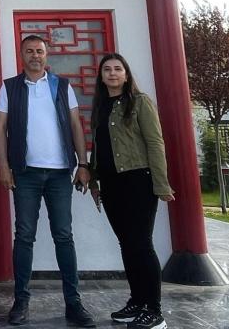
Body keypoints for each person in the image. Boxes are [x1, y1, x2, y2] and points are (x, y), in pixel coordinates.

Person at [0, 34, 96, 328]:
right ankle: (21, 301)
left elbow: (75, 123)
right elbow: (0, 127)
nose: (35, 55)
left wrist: (83, 163)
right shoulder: (9, 87)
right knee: (24, 236)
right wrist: (3, 165)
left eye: (39, 51)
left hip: (60, 173)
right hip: (25, 172)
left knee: (63, 235)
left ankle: (73, 303)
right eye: (29, 51)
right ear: (22, 55)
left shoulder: (61, 86)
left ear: (46, 55)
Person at [89, 54, 173, 329]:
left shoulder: (140, 102)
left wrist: (161, 184)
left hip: (138, 180)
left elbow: (155, 143)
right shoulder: (100, 107)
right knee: (126, 244)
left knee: (141, 244)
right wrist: (93, 181)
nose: (112, 73)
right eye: (107, 69)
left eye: (118, 69)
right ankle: (137, 301)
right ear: (101, 76)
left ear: (126, 75)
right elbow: (98, 148)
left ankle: (154, 310)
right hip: (111, 183)